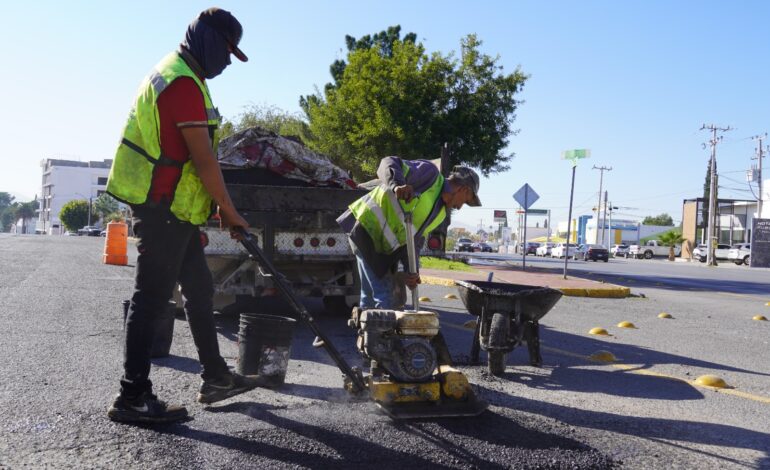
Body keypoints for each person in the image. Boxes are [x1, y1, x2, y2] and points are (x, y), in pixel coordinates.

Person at [105, 8, 259, 424]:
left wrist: (215, 212)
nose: (228, 61)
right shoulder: (182, 84)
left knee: (199, 289)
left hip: (178, 210)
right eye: (227, 51)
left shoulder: (184, 76)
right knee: (151, 299)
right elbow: (204, 160)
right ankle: (132, 396)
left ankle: (216, 377)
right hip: (163, 209)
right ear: (207, 40)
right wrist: (230, 211)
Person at [337, 157, 482, 310]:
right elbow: (388, 162)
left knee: (370, 299)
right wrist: (397, 185)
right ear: (464, 189)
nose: (460, 207)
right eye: (465, 201)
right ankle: (381, 332)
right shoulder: (430, 175)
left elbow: (414, 241)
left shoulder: (440, 214)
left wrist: (411, 271)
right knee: (385, 298)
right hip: (366, 228)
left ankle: (367, 331)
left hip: (380, 247)